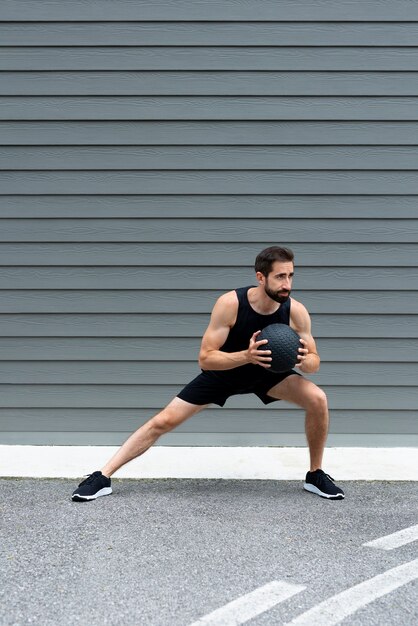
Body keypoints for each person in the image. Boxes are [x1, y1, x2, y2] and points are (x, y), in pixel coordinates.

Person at [72, 246, 344, 501]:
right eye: (280, 276)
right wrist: (246, 356)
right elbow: (205, 358)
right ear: (261, 277)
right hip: (224, 372)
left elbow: (314, 362)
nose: (287, 284)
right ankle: (103, 476)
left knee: (317, 399)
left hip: (270, 375)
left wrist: (304, 361)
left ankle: (315, 474)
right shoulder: (231, 304)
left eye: (291, 276)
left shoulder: (296, 311)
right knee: (163, 421)